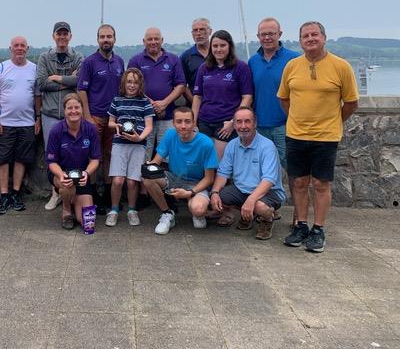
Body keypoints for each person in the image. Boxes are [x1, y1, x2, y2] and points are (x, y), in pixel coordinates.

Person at [278, 21, 358, 252]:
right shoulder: (292, 66)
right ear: (300, 40)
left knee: (321, 184)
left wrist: (332, 121)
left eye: (315, 35)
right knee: (299, 182)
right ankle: (301, 225)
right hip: (296, 134)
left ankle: (318, 229)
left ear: (324, 37)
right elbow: (284, 98)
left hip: (325, 137)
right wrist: (297, 119)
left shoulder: (340, 66)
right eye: (305, 36)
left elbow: (351, 103)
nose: (310, 39)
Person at [210, 107, 286, 240]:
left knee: (259, 206)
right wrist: (215, 192)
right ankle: (248, 214)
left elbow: (269, 180)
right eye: (239, 122)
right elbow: (223, 173)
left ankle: (267, 219)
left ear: (255, 123)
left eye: (247, 121)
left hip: (269, 192)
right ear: (234, 125)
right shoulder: (232, 145)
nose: (243, 126)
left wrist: (251, 200)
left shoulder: (267, 146)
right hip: (242, 190)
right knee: (219, 198)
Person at [141, 106, 218, 235]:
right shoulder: (170, 134)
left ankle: (196, 210)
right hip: (174, 178)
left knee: (198, 210)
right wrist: (149, 168)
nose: (183, 126)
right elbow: (156, 161)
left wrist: (190, 192)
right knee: (148, 178)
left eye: (187, 121)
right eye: (179, 121)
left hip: (197, 183)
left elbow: (209, 178)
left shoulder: (206, 143)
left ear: (194, 123)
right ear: (173, 123)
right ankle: (167, 213)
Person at [0, 36, 42, 215]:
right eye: (16, 46)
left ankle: (16, 193)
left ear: (27, 48)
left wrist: (38, 118)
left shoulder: (34, 69)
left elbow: (37, 97)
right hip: (5, 123)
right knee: (3, 159)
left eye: (22, 46)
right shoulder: (1, 68)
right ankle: (4, 195)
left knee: (21, 159)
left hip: (27, 122)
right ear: (10, 48)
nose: (19, 48)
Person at [37, 21, 84, 211]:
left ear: (70, 36)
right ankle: (55, 192)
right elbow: (41, 83)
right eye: (59, 34)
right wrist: (68, 82)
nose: (62, 37)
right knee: (52, 154)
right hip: (49, 114)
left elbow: (80, 80)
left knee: (73, 152)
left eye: (65, 34)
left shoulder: (78, 56)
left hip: (71, 114)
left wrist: (56, 77)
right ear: (53, 36)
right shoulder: (44, 57)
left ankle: (74, 189)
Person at [77, 24, 125, 210]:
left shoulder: (120, 61)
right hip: (95, 117)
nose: (106, 40)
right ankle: (94, 194)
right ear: (97, 39)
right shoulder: (89, 62)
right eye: (102, 36)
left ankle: (107, 193)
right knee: (94, 157)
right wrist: (87, 117)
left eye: (109, 36)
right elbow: (82, 90)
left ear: (115, 39)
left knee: (110, 156)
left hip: (114, 119)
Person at [192, 29, 253, 160]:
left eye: (222, 45)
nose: (218, 49)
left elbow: (247, 97)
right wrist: (193, 121)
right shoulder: (204, 68)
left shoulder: (241, 67)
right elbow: (197, 97)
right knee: (206, 162)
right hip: (205, 122)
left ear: (229, 46)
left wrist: (234, 122)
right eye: (215, 46)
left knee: (221, 163)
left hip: (226, 123)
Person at [105, 68, 154, 227]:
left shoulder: (145, 102)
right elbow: (110, 122)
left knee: (133, 182)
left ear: (140, 84)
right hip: (120, 144)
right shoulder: (117, 100)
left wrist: (139, 137)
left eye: (135, 82)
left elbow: (149, 126)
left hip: (138, 145)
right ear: (124, 83)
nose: (132, 85)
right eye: (129, 82)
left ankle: (132, 210)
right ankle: (114, 210)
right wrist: (117, 126)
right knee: (118, 180)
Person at [127, 27, 185, 161]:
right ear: (144, 41)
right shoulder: (135, 60)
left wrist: (164, 104)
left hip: (168, 116)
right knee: (143, 154)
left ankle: (166, 181)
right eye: (149, 39)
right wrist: (152, 105)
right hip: (143, 117)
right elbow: (131, 85)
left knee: (168, 155)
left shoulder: (173, 59)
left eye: (156, 39)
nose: (153, 42)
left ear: (162, 40)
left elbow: (181, 85)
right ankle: (142, 181)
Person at [248, 17, 299, 167]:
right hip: (260, 126)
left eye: (271, 33)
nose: (267, 38)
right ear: (258, 37)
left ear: (280, 34)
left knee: (290, 168)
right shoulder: (253, 61)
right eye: (263, 34)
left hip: (285, 126)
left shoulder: (294, 59)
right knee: (262, 168)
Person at [46, 94, 101, 229]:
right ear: (64, 111)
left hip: (82, 175)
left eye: (77, 107)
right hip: (61, 172)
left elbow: (95, 159)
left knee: (89, 225)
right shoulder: (56, 130)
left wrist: (87, 173)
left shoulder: (91, 129)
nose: (73, 111)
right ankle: (66, 210)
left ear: (82, 109)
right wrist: (60, 175)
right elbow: (51, 162)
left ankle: (74, 199)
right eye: (69, 108)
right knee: (66, 185)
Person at [180, 17, 212, 106]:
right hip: (196, 109)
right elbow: (182, 85)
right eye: (195, 30)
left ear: (210, 31)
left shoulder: (218, 53)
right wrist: (196, 103)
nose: (198, 33)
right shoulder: (185, 57)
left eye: (202, 29)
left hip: (220, 107)